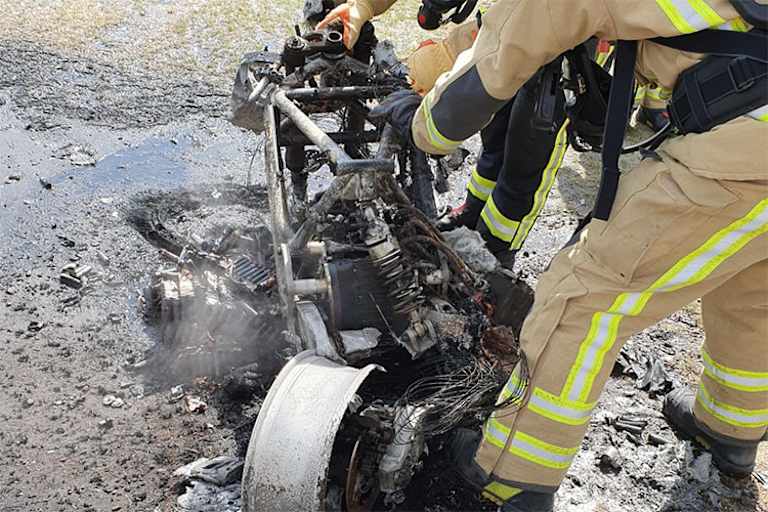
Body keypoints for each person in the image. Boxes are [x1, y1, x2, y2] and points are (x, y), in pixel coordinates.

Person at [370, 1, 768, 510]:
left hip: (744, 150)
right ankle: (730, 429)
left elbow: (522, 31)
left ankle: (513, 471)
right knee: (752, 286)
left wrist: (424, 125)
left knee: (582, 295)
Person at [318, 0, 570, 269]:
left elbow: (515, 41)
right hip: (519, 20)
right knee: (497, 132)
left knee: (529, 150)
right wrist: (364, 6)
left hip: (565, 46)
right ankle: (473, 210)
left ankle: (499, 246)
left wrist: (421, 115)